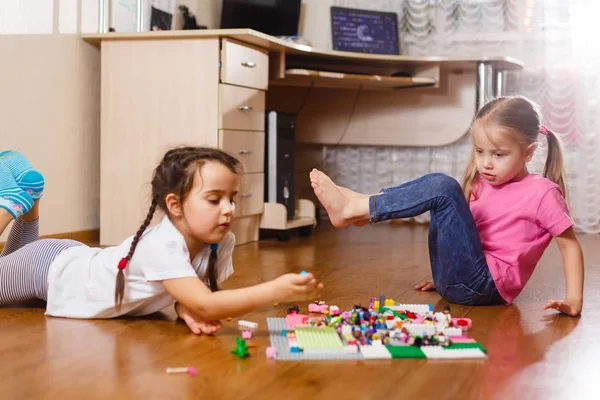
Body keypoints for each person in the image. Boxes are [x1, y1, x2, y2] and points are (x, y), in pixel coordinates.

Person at [310, 96, 584, 316]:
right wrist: (447, 275)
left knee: (443, 187)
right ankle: (360, 209)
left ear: (529, 152)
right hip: (460, 280)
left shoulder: (542, 192)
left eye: (498, 154)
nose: (486, 163)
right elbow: (462, 237)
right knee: (437, 184)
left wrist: (573, 299)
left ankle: (357, 209)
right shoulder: (482, 181)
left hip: (485, 288)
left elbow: (569, 245)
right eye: (479, 152)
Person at [0, 147, 323, 334]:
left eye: (231, 198)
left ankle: (29, 200)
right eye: (214, 200)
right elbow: (205, 303)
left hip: (67, 258)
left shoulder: (220, 241)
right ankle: (11, 204)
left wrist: (186, 311)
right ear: (174, 205)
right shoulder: (162, 246)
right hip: (45, 271)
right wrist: (275, 290)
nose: (228, 210)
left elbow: (193, 297)